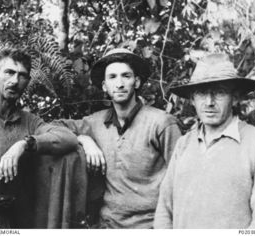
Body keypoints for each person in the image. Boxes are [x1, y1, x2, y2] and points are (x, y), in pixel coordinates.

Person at [0, 48, 78, 228]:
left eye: (22, 75)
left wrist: (23, 144)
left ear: (28, 81)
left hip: (10, 219)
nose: (15, 81)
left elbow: (68, 138)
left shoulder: (29, 122)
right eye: (9, 72)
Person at [57, 48, 182, 228]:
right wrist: (85, 140)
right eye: (112, 77)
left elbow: (183, 180)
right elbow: (52, 127)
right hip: (107, 225)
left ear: (137, 82)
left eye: (126, 76)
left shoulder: (161, 123)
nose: (120, 84)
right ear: (104, 86)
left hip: (150, 225)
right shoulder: (94, 123)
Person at [154, 53, 255, 229]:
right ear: (192, 99)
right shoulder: (184, 144)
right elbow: (164, 209)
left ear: (235, 98)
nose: (209, 102)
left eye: (220, 92)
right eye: (201, 93)